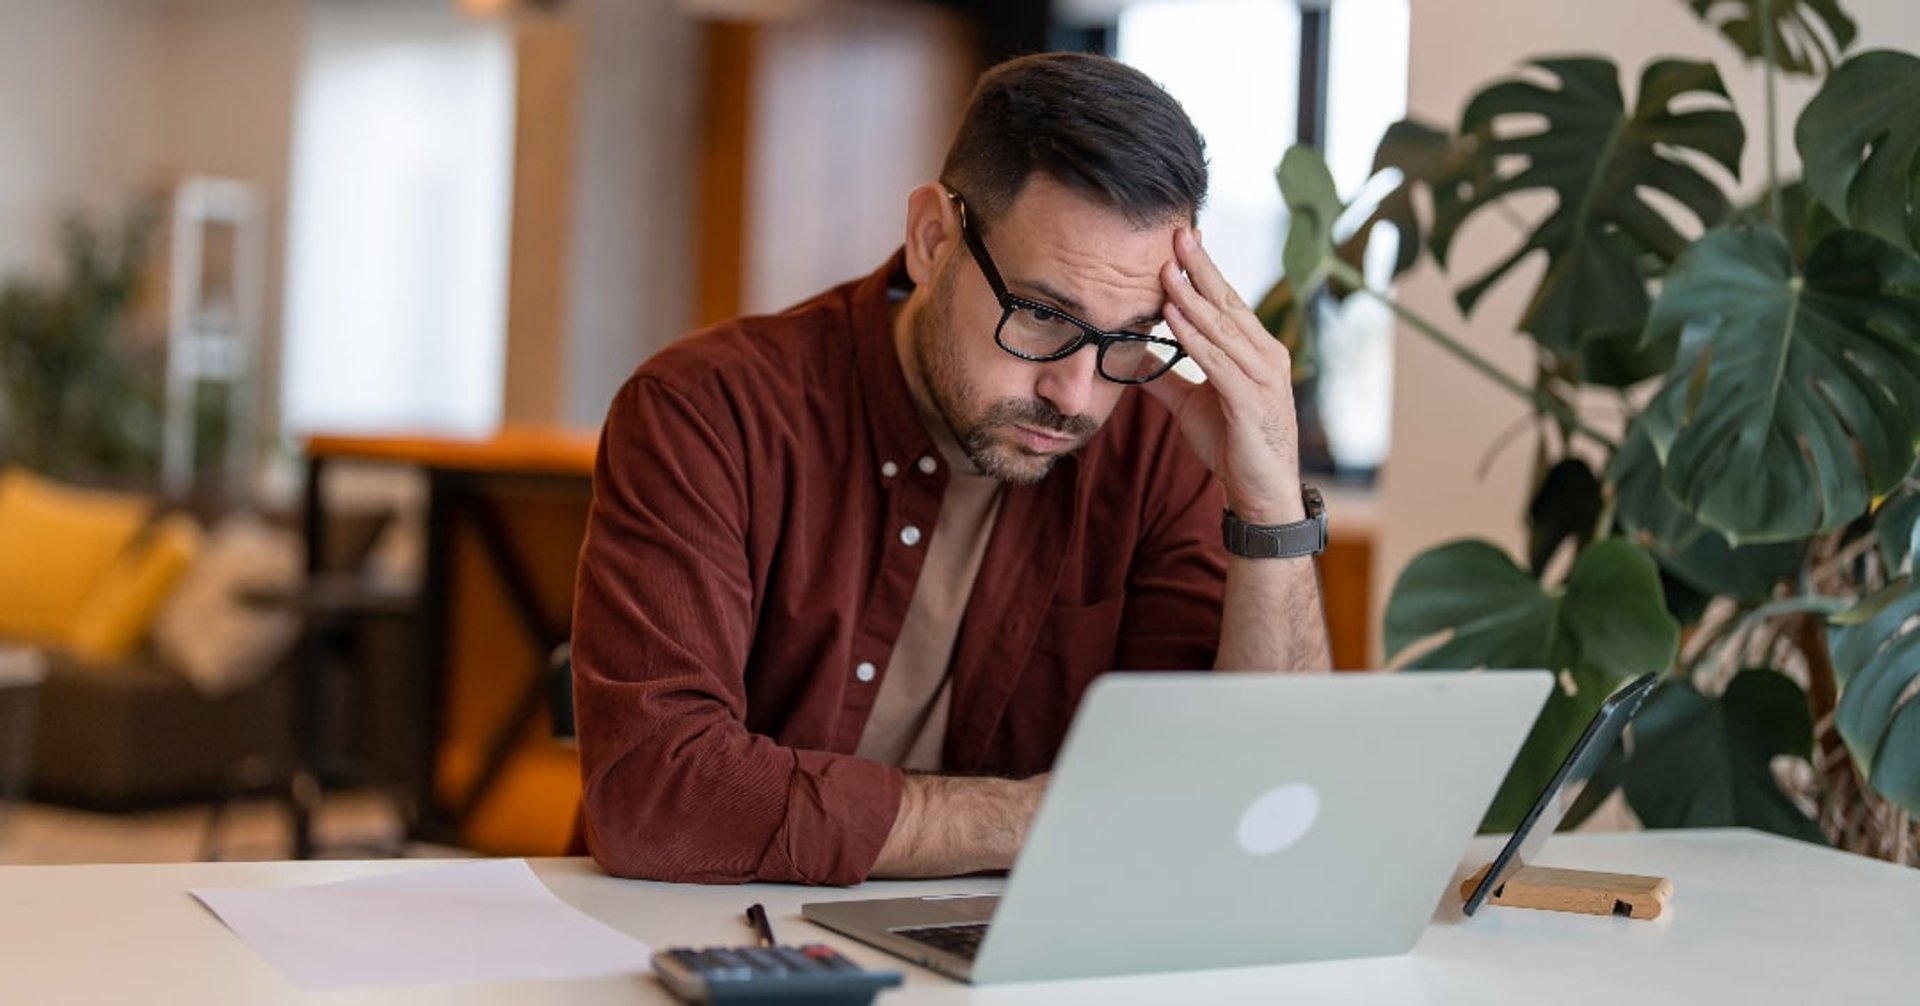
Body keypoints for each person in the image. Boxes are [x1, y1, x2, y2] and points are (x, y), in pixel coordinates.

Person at [571, 51, 1331, 886]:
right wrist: (1043, 819)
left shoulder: (1155, 442)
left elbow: (1259, 808)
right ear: (933, 239)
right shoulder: (709, 411)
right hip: (709, 942)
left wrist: (1269, 509)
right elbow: (657, 796)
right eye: (1043, 314)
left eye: (1131, 335)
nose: (1075, 395)